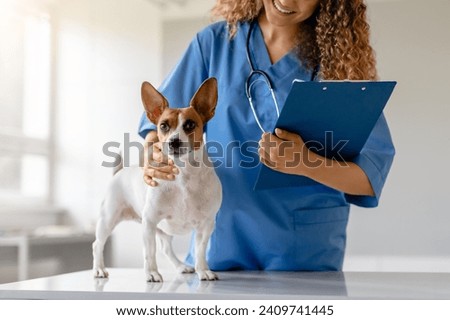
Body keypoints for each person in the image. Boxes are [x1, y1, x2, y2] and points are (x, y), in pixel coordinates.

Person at [138, 0, 395, 271]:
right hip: (218, 243)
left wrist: (307, 163)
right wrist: (151, 155)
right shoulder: (213, 45)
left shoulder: (340, 64)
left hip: (302, 252)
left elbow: (369, 176)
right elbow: (159, 128)